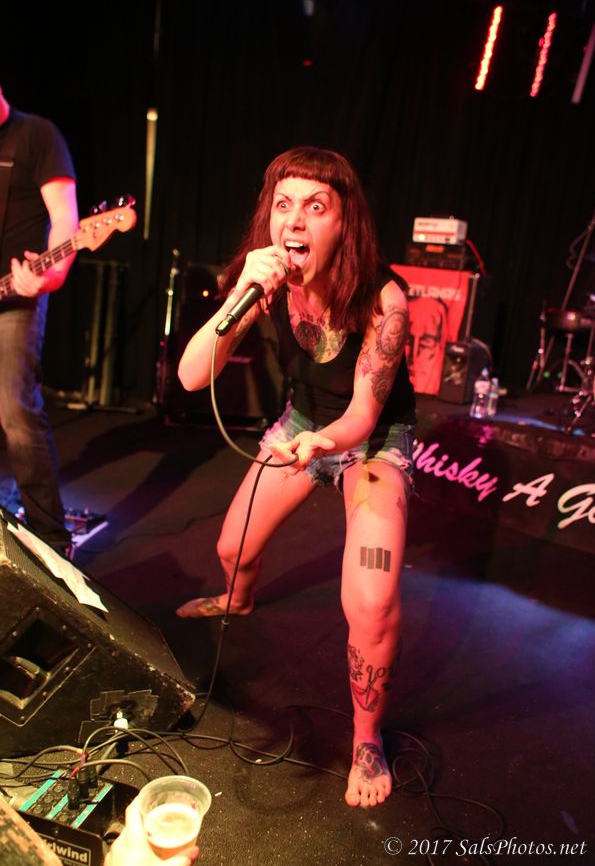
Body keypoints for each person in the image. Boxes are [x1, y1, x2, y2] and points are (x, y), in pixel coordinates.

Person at [176, 147, 416, 808]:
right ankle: (240, 598)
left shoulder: (385, 299)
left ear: (345, 222)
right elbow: (192, 376)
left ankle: (367, 737)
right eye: (284, 204)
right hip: (303, 420)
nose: (296, 220)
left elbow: (363, 413)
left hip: (371, 443)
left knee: (371, 602)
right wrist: (240, 295)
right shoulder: (268, 281)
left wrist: (323, 446)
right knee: (231, 551)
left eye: (316, 206)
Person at [0, 85, 78, 554]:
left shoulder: (35, 135)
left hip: (18, 295)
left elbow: (67, 224)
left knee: (15, 410)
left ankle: (51, 538)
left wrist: (47, 278)